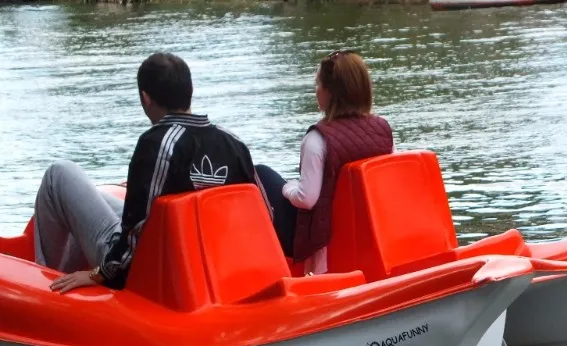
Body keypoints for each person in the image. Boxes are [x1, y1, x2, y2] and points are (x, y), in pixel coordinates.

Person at [40, 51, 270, 294]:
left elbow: (137, 228)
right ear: (188, 91)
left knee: (59, 175)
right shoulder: (234, 144)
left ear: (145, 98)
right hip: (211, 262)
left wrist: (99, 273)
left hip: (148, 267)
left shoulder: (157, 144)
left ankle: (43, 281)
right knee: (97, 195)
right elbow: (265, 215)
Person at [255, 49, 394, 275]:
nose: (315, 90)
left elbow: (306, 198)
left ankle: (268, 271)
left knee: (261, 174)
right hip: (370, 233)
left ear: (331, 93)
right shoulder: (383, 129)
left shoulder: (317, 139)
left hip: (327, 244)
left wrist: (287, 188)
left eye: (318, 84)